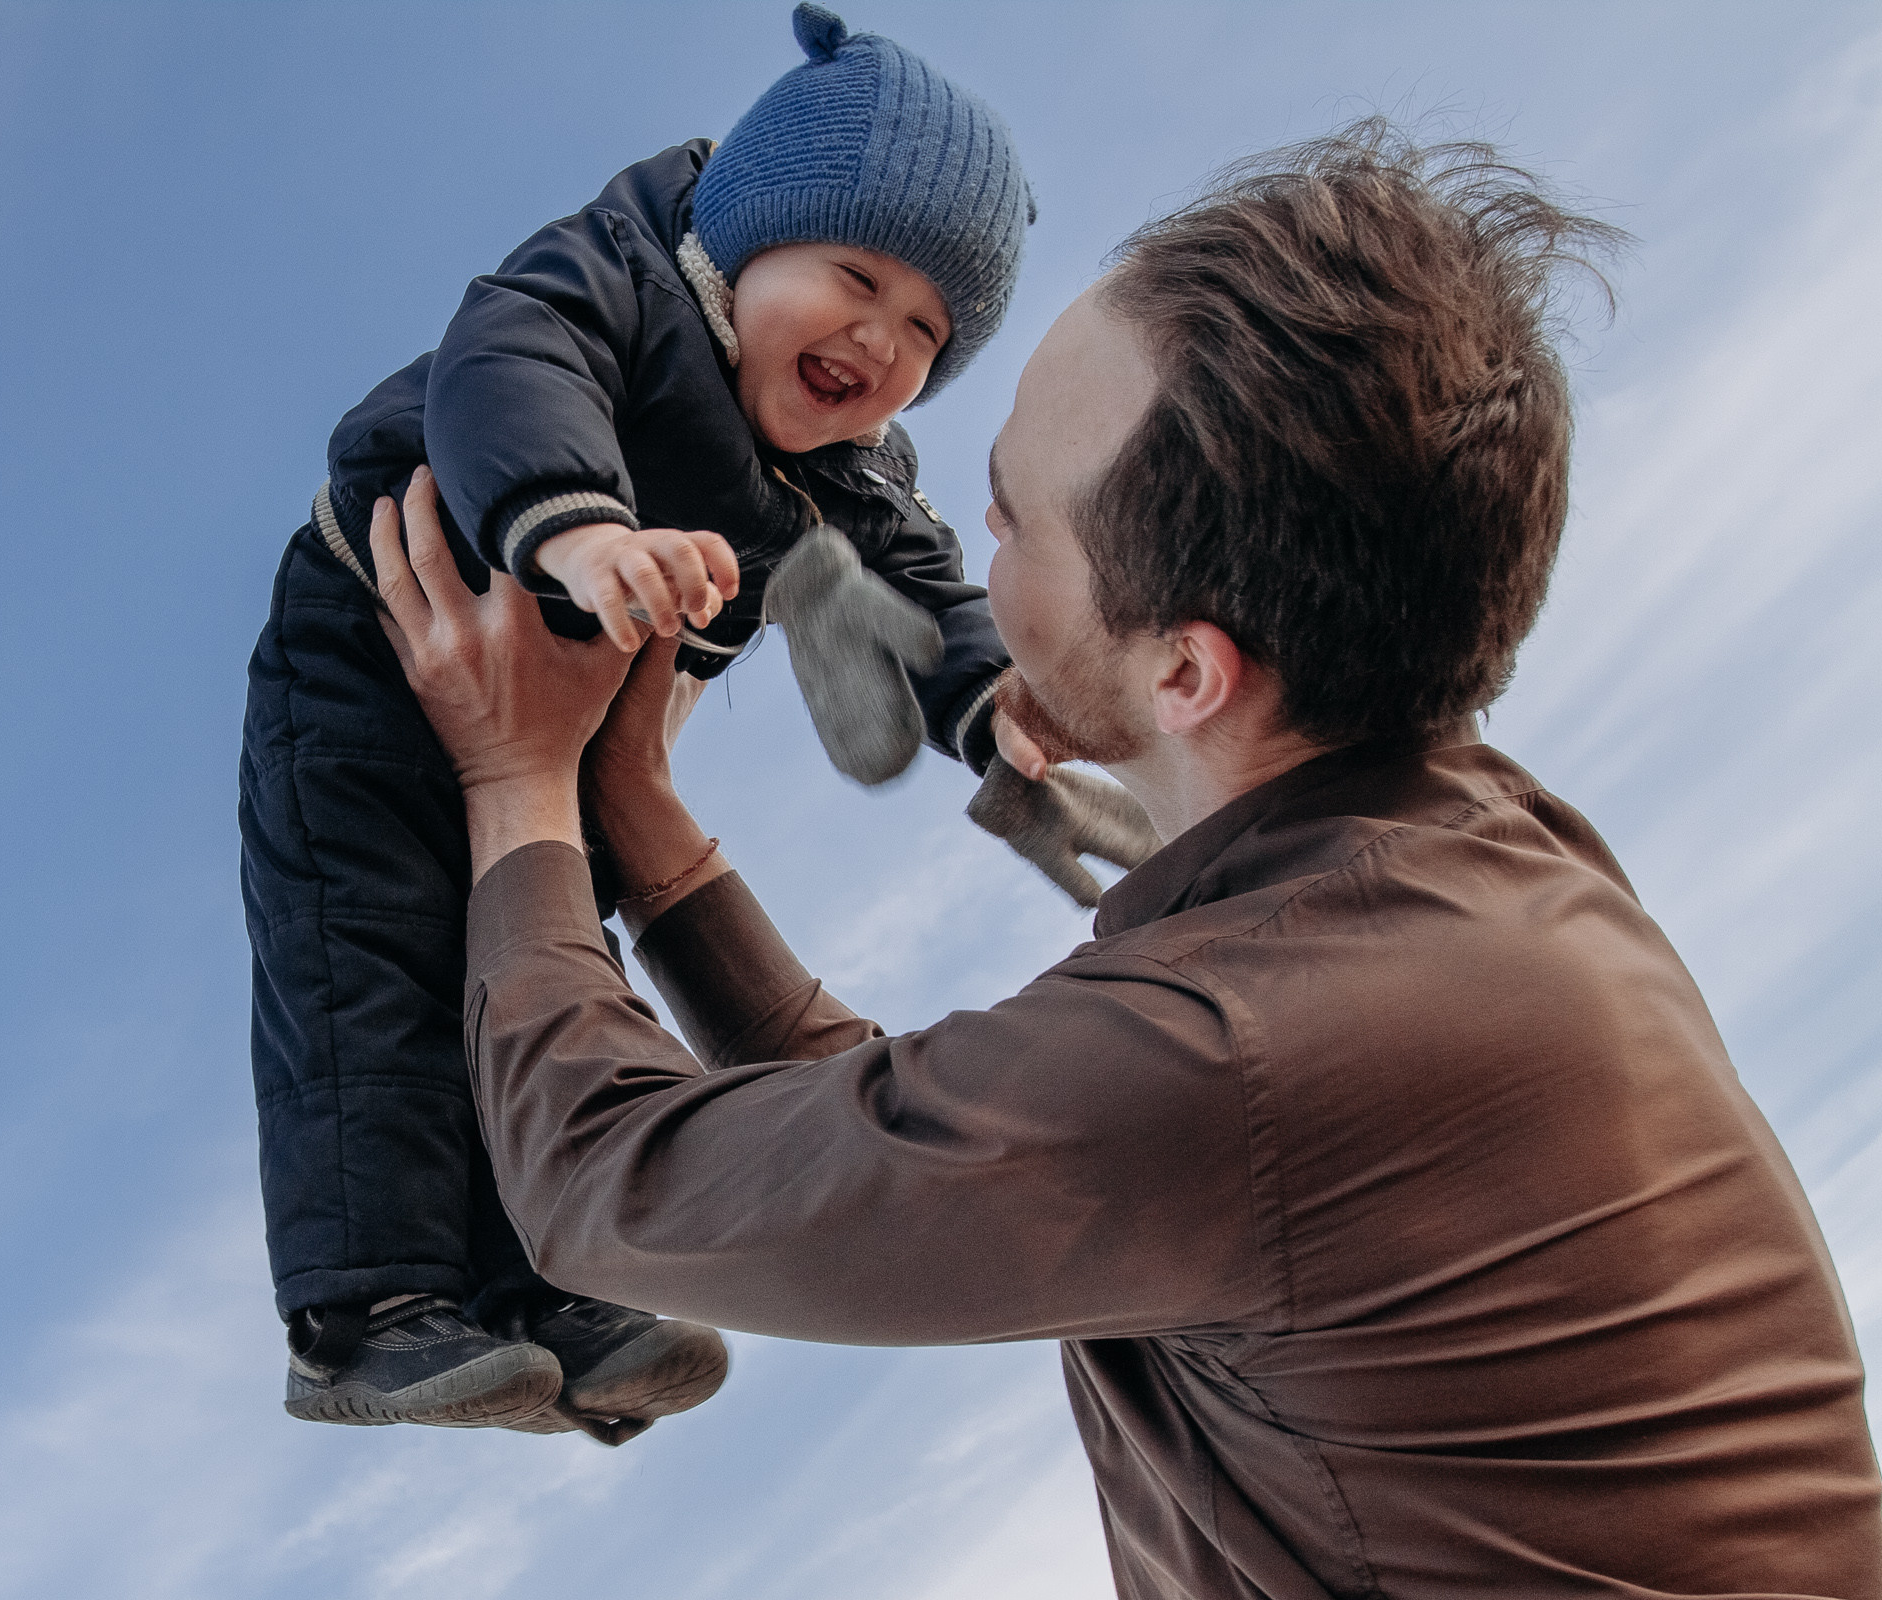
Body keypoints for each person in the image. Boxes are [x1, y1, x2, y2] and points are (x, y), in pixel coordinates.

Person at [372, 124, 1882, 1592]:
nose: (974, 538)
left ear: (1184, 675)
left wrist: (517, 785)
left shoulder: (1261, 1050)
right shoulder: (1464, 879)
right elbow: (969, 1142)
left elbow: (604, 1191)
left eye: (1019, 521)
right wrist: (643, 830)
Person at [241, 5, 1052, 1438]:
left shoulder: (856, 475)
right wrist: (579, 534)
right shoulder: (612, 278)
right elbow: (513, 370)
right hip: (371, 654)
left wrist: (996, 710)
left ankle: (543, 1280)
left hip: (569, 712)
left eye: (929, 329)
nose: (880, 338)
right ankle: (367, 1307)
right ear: (743, 238)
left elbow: (922, 593)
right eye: (854, 277)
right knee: (367, 952)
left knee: (535, 957)